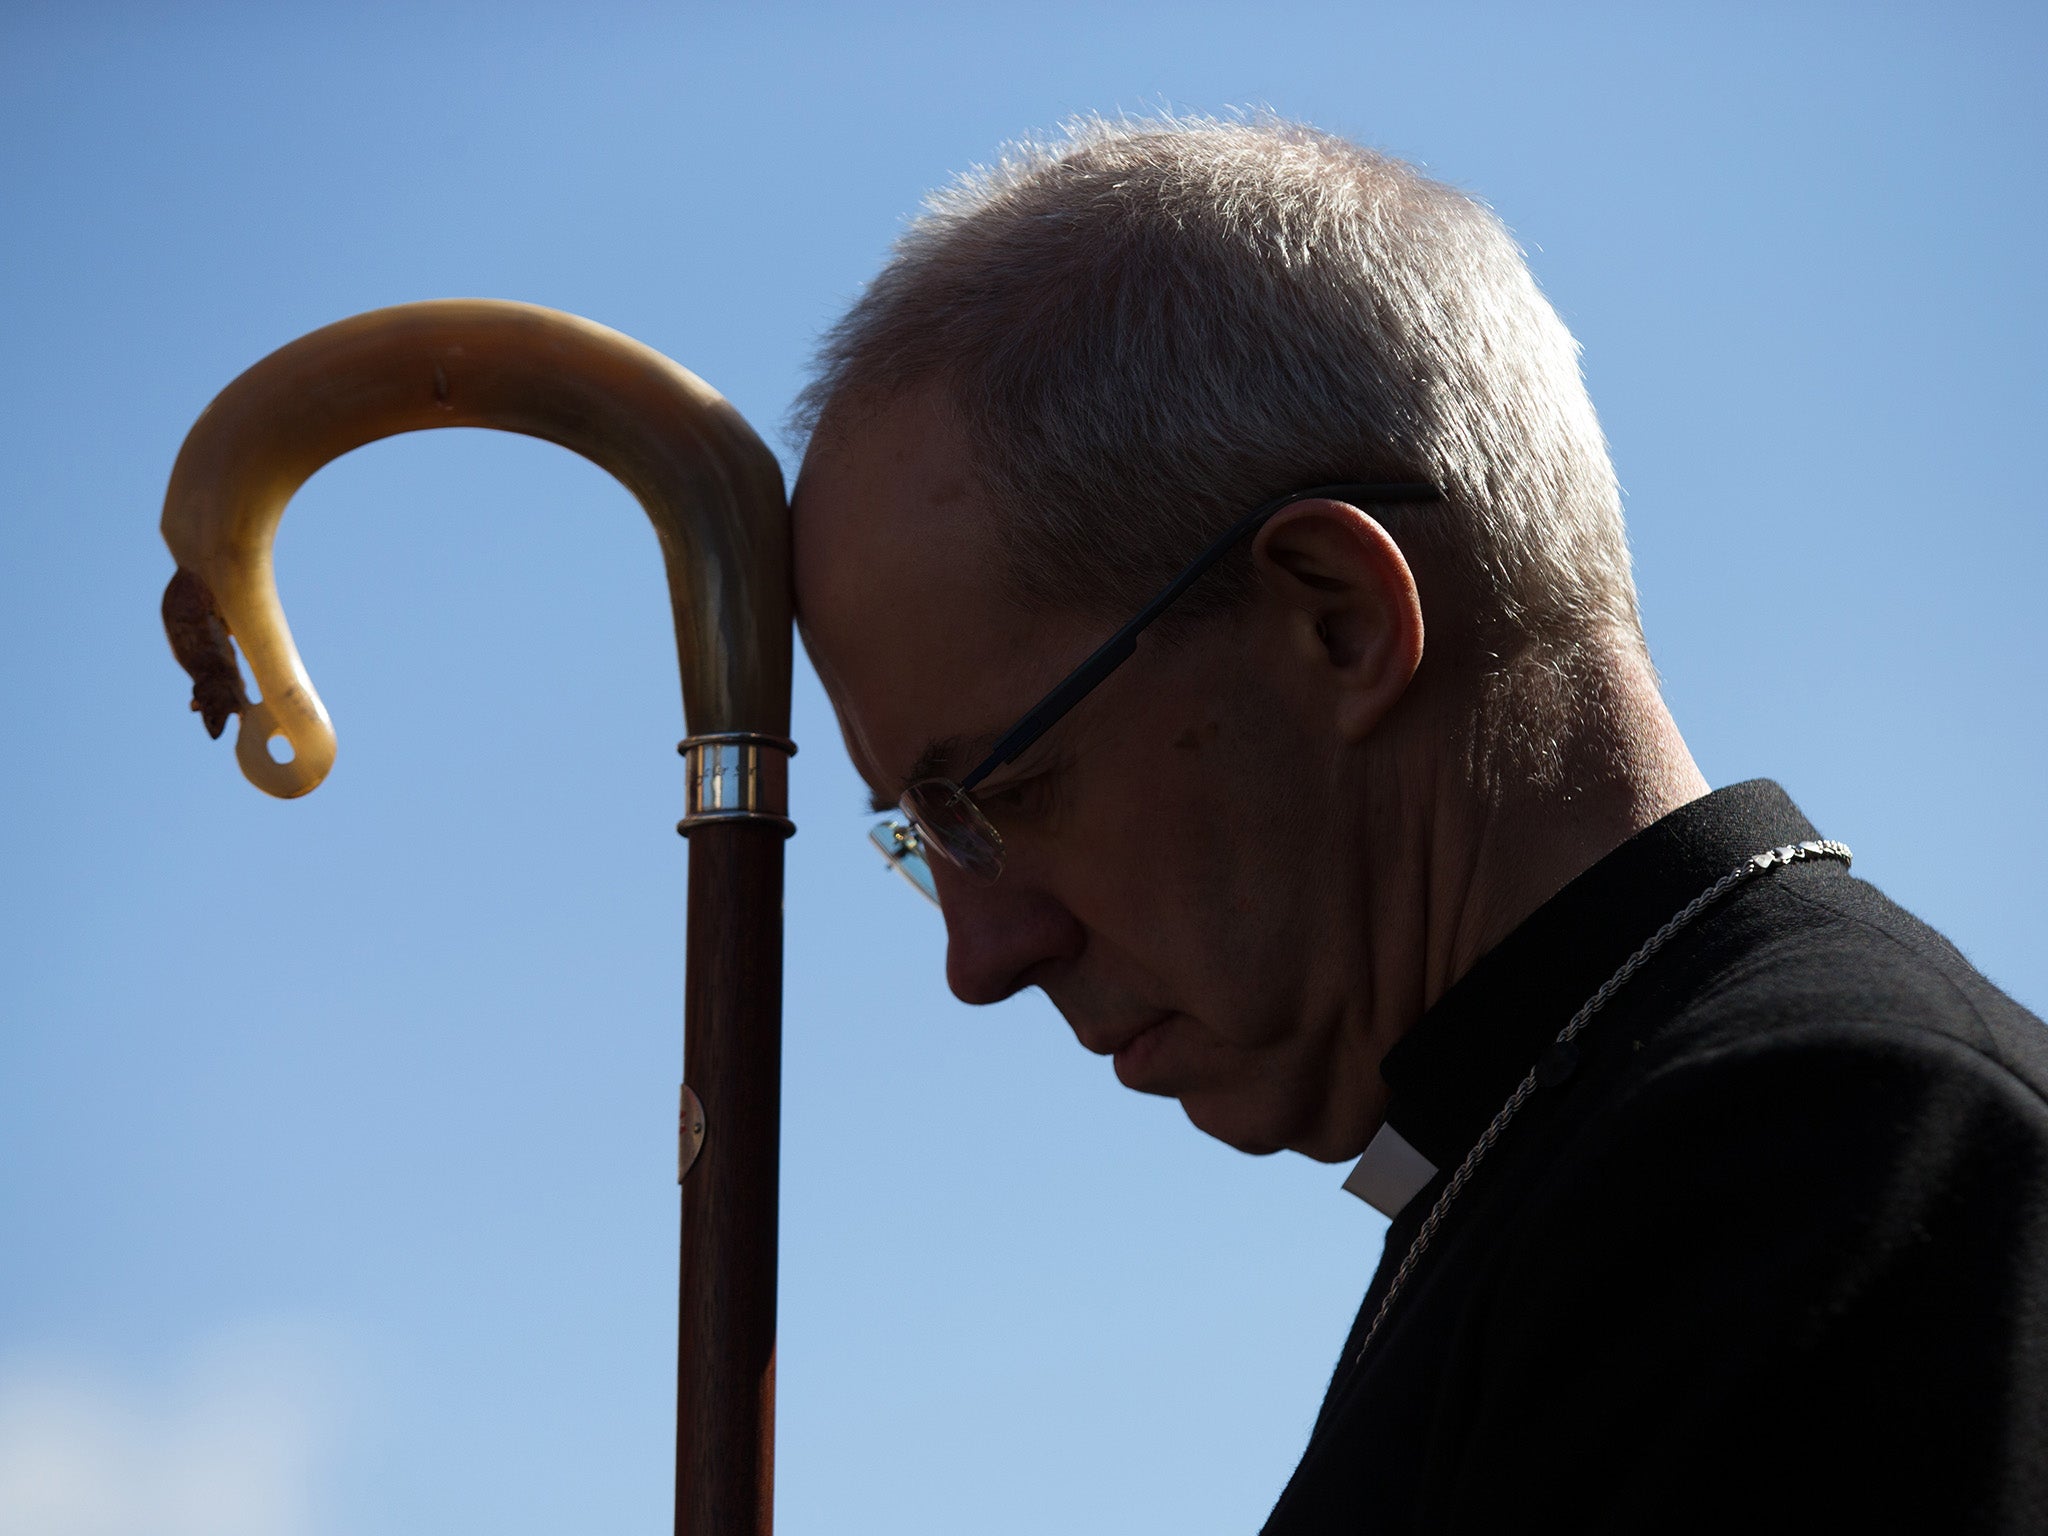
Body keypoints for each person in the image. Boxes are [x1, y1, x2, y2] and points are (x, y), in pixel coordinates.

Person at [788, 115, 2048, 1531]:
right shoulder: (1574, 1157)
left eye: (1001, 796)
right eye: (926, 838)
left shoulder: (1813, 1166)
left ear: (1336, 617)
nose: (983, 954)